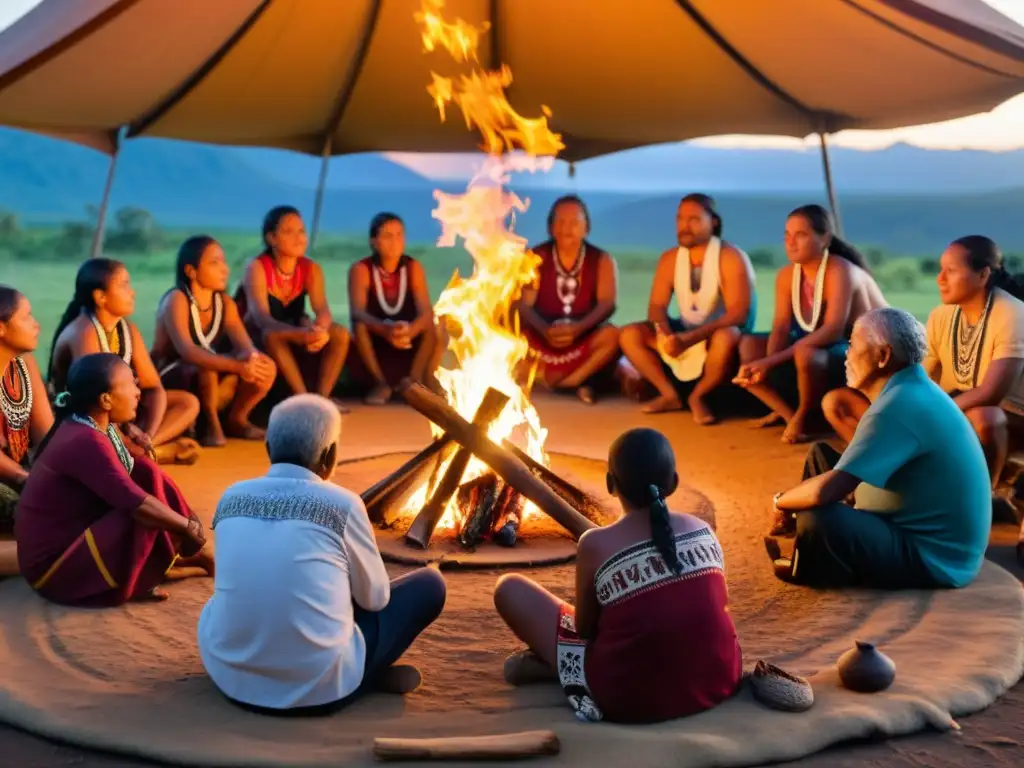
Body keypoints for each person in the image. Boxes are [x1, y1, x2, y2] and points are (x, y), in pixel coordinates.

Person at [197, 394, 447, 715]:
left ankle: (359, 672)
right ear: (329, 456)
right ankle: (367, 677)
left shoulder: (230, 497)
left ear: (269, 448)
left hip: (231, 678)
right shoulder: (343, 504)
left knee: (233, 597)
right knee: (430, 585)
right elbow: (375, 600)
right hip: (320, 689)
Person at [494, 427, 742, 724]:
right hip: (719, 678)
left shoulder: (595, 544)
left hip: (629, 699)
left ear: (610, 483)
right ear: (674, 482)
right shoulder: (703, 530)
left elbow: (585, 629)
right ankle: (553, 664)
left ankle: (555, 666)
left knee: (509, 589)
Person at [767, 308, 991, 589]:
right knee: (821, 457)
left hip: (933, 558)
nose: (847, 355)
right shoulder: (911, 389)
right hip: (941, 544)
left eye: (852, 345)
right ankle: (813, 550)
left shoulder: (896, 407)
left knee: (818, 513)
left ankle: (814, 564)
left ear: (883, 356)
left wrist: (781, 502)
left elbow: (826, 491)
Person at [824, 236, 1024, 488]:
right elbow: (920, 378)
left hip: (1010, 421)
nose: (940, 278)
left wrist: (930, 415)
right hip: (951, 410)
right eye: (941, 270)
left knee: (985, 417)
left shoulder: (1013, 314)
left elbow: (990, 394)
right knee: (837, 403)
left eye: (950, 271)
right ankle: (892, 477)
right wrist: (899, 412)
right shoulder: (942, 315)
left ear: (983, 275)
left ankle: (984, 496)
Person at [15, 354, 213, 606]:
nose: (138, 393)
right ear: (105, 399)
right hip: (55, 573)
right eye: (131, 384)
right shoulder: (86, 440)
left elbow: (133, 474)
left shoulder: (93, 425)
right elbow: (138, 504)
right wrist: (187, 527)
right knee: (144, 510)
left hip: (70, 544)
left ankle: (161, 561)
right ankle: (150, 571)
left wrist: (130, 428)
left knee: (145, 472)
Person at [735, 204, 887, 443]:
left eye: (801, 235)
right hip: (827, 352)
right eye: (787, 234)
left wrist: (769, 362)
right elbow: (781, 327)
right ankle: (789, 414)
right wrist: (765, 371)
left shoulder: (839, 270)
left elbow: (833, 330)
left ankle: (808, 417)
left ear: (824, 238)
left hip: (869, 355)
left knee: (806, 352)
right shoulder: (787, 276)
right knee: (750, 345)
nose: (790, 242)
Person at [49, 258, 201, 465]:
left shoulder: (128, 330)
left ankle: (147, 451)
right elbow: (93, 404)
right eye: (124, 285)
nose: (132, 292)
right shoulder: (83, 332)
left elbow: (154, 388)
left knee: (187, 402)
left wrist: (147, 436)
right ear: (100, 297)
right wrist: (129, 430)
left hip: (121, 414)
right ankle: (140, 455)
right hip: (88, 418)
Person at [620, 193, 757, 423]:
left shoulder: (730, 257)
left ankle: (698, 396)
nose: (685, 226)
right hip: (684, 333)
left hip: (718, 336)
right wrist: (665, 334)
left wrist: (690, 338)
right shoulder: (670, 259)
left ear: (713, 222)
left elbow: (738, 314)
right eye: (680, 219)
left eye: (693, 219)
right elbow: (656, 306)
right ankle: (669, 394)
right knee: (629, 334)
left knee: (727, 336)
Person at [152, 236, 277, 447]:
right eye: (214, 263)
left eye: (224, 262)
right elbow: (188, 351)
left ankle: (236, 419)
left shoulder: (224, 303)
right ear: (191, 271)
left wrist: (252, 360)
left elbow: (245, 345)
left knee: (266, 366)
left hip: (206, 373)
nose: (224, 269)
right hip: (171, 375)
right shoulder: (177, 299)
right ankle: (209, 424)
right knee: (207, 364)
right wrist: (237, 366)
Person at [239, 206, 350, 408]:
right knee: (271, 336)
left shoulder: (310, 268)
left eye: (301, 231)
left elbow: (322, 310)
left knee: (340, 333)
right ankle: (303, 401)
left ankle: (322, 399)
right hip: (260, 336)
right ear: (272, 238)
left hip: (296, 330)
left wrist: (320, 330)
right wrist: (299, 333)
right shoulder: (257, 267)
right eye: (289, 232)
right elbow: (261, 318)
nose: (299, 238)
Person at [518, 195, 622, 405]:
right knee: (504, 328)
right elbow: (524, 305)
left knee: (612, 336)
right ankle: (559, 380)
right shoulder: (535, 257)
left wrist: (579, 328)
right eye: (561, 222)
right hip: (541, 338)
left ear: (586, 228)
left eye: (574, 222)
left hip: (583, 337)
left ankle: (571, 382)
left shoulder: (602, 260)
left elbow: (607, 303)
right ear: (550, 227)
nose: (567, 229)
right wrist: (544, 329)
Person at [347, 213, 444, 405]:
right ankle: (380, 383)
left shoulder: (413, 267)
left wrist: (410, 331)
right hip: (377, 335)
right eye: (387, 236)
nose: (395, 241)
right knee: (359, 326)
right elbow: (357, 312)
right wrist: (386, 330)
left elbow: (426, 311)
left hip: (408, 336)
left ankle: (414, 382)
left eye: (399, 235)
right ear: (373, 241)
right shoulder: (361, 269)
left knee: (436, 326)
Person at [0, 286, 53, 543]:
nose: (37, 325)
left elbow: (47, 435)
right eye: (27, 317)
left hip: (20, 472)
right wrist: (25, 479)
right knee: (39, 515)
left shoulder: (25, 363)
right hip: (12, 476)